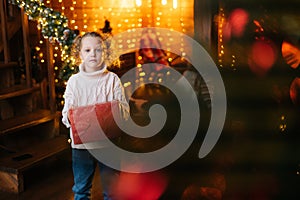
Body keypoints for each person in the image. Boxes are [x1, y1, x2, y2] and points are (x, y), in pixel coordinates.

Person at [62, 31, 129, 200]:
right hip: (82, 148)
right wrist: (71, 117)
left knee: (112, 191)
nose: (93, 54)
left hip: (109, 145)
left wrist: (108, 112)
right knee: (81, 189)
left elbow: (125, 112)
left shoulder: (112, 79)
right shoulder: (74, 82)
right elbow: (66, 114)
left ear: (105, 53)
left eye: (98, 50)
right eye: (87, 50)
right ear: (80, 54)